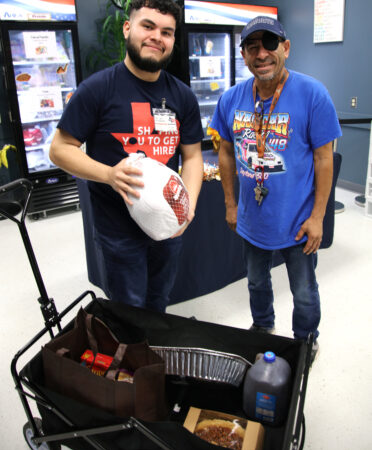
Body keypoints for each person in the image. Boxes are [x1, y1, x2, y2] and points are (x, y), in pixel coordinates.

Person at [49, 0, 204, 312]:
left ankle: (151, 353)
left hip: (167, 224)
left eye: (167, 32)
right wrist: (109, 174)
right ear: (127, 28)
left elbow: (192, 157)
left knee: (159, 301)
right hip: (118, 229)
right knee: (128, 308)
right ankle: (131, 358)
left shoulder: (183, 96)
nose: (156, 37)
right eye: (148, 26)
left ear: (173, 40)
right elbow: (59, 149)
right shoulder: (97, 89)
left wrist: (188, 206)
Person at [210, 16, 341, 359]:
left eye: (270, 44)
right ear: (243, 55)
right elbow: (224, 151)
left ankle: (304, 339)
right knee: (255, 282)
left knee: (303, 291)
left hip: (298, 221)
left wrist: (318, 217)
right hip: (253, 221)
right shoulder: (231, 99)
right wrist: (229, 204)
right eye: (253, 47)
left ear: (286, 48)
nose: (262, 53)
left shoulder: (312, 94)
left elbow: (324, 160)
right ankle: (263, 325)